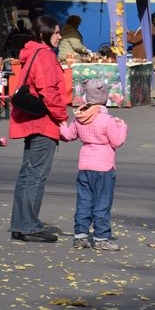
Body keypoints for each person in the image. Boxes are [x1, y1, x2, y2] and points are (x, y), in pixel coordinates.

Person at [9, 15, 69, 243]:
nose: (59, 36)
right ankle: (30, 225)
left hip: (31, 120)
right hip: (44, 122)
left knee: (27, 174)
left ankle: (20, 224)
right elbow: (49, 91)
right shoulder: (44, 55)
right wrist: (62, 118)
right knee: (35, 175)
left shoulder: (32, 51)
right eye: (56, 32)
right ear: (44, 34)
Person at [60, 79, 127, 252]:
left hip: (85, 165)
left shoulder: (79, 117)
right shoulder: (108, 120)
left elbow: (68, 135)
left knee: (84, 201)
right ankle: (101, 238)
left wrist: (60, 124)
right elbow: (117, 141)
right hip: (104, 167)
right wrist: (122, 127)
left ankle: (80, 236)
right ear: (104, 98)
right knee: (102, 203)